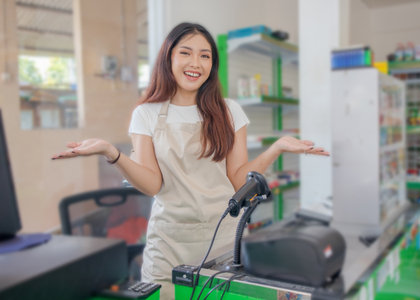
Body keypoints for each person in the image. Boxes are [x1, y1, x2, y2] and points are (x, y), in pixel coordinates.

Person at [52, 22, 329, 299]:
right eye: (186, 52)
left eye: (205, 55)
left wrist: (276, 148)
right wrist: (111, 153)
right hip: (169, 246)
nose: (196, 62)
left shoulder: (229, 111)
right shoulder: (146, 114)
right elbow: (151, 184)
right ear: (169, 57)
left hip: (224, 245)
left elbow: (237, 181)